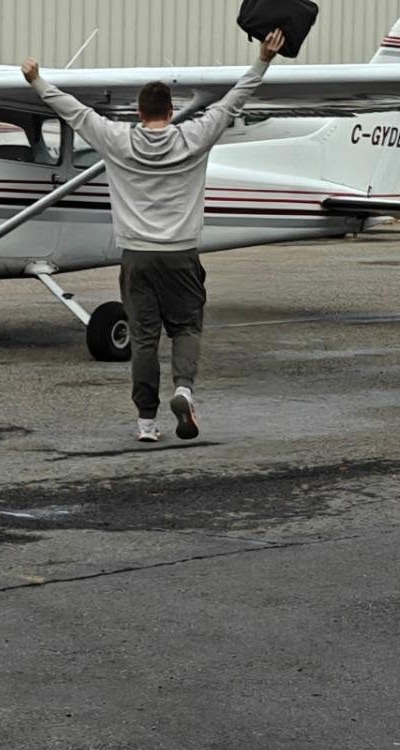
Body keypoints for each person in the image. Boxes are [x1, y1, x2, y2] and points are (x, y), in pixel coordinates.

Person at [21, 27, 287, 442]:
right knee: (186, 329)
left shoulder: (116, 139)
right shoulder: (195, 135)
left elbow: (74, 112)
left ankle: (146, 422)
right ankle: (184, 390)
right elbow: (235, 99)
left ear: (139, 112)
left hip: (136, 256)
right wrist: (264, 59)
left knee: (144, 340)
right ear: (171, 110)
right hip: (181, 254)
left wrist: (37, 80)